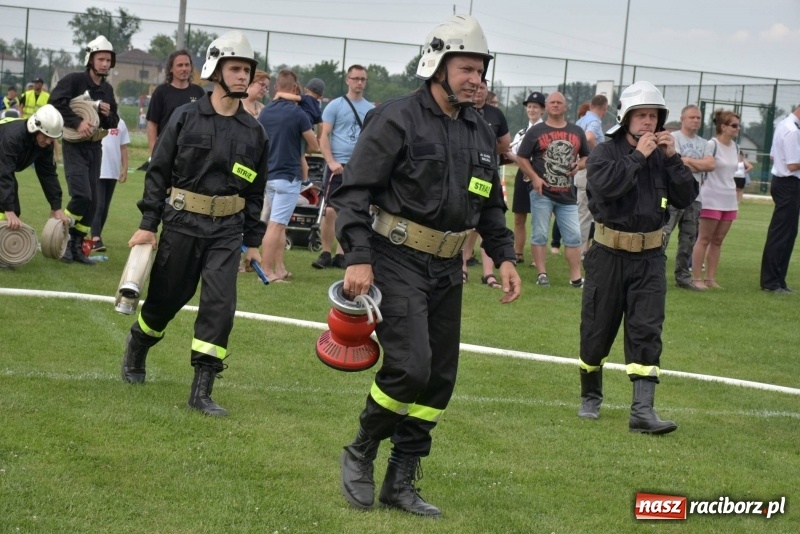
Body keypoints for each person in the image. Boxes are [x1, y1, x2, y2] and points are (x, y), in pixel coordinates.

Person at [333, 14, 521, 517]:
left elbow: (490, 205)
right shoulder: (395, 119)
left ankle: (402, 478)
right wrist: (358, 257)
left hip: (447, 268)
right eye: (466, 67)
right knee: (410, 366)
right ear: (437, 65)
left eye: (481, 69)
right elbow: (352, 193)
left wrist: (502, 255)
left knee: (439, 378)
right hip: (395, 259)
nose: (476, 78)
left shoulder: (481, 132)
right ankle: (362, 449)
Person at [120, 30, 268, 417]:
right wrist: (149, 224)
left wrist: (252, 242)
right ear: (216, 71)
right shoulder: (185, 117)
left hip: (227, 231)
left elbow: (255, 191)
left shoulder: (255, 132)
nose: (243, 77)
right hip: (182, 223)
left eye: (247, 70)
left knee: (220, 306)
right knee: (166, 301)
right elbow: (158, 172)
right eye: (235, 69)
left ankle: (201, 390)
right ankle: (138, 342)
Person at [578, 81, 697, 433]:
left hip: (649, 257)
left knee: (646, 330)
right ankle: (590, 396)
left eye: (654, 116)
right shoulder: (605, 152)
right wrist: (638, 157)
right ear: (625, 118)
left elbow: (686, 196)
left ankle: (642, 410)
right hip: (607, 255)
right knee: (597, 330)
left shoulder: (665, 156)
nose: (648, 122)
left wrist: (673, 158)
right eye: (641, 115)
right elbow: (606, 189)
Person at [50, 35, 120, 266]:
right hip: (74, 147)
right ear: (90, 59)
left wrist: (106, 114)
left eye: (108, 60)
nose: (105, 64)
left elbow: (113, 123)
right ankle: (60, 237)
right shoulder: (73, 81)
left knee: (93, 202)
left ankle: (77, 246)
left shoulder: (108, 89)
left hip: (95, 147)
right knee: (82, 195)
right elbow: (55, 103)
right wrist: (78, 121)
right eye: (101, 59)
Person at [516, 91, 589, 287]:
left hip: (567, 195)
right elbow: (522, 157)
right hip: (542, 193)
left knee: (574, 236)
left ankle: (575, 278)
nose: (556, 105)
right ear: (546, 107)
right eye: (552, 102)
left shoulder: (577, 131)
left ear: (565, 107)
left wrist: (579, 166)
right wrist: (535, 178)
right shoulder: (535, 132)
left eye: (559, 102)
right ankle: (542, 274)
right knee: (539, 234)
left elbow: (586, 157)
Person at [257, 69, 320, 282]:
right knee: (276, 225)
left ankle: (280, 268)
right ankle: (266, 271)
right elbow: (314, 144)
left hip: (270, 176)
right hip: (288, 177)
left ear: (276, 88)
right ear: (295, 88)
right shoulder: (298, 114)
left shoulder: (265, 113)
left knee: (278, 224)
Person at [312, 65, 373, 270]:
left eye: (363, 79)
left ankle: (341, 254)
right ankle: (325, 252)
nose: (359, 83)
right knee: (330, 211)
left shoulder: (370, 109)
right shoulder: (335, 105)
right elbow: (323, 136)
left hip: (358, 168)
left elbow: (372, 141)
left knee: (352, 211)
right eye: (355, 78)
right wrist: (330, 161)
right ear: (347, 80)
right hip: (337, 165)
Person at [461, 79, 511, 289]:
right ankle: (461, 267)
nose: (478, 90)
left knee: (486, 218)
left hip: (483, 176)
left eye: (482, 87)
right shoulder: (461, 111)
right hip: (462, 176)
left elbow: (504, 144)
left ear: (486, 90)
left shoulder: (495, 114)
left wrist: (484, 156)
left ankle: (488, 273)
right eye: (476, 87)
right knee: (465, 223)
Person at [663, 104, 714, 291]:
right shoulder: (673, 138)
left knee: (688, 239)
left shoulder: (705, 143)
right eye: (692, 117)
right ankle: (655, 273)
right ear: (682, 119)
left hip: (695, 198)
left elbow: (709, 165)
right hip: (673, 197)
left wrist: (686, 161)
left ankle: (683, 277)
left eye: (699, 118)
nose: (696, 120)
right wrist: (691, 163)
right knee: (664, 234)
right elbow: (674, 162)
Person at [690, 109, 741, 290]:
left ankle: (710, 279)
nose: (737, 128)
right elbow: (703, 166)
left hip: (729, 199)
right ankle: (696, 278)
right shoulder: (712, 145)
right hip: (711, 197)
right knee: (704, 238)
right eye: (734, 125)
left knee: (718, 240)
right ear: (723, 126)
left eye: (738, 125)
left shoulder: (735, 147)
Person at [0, 104, 69, 231]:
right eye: (46, 136)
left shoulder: (44, 144)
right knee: (7, 208)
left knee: (13, 210)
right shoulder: (13, 138)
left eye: (52, 138)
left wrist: (56, 206)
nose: (49, 141)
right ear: (35, 128)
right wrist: (8, 210)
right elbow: (4, 173)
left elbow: (48, 174)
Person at [760, 105, 800, 294]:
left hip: (785, 183)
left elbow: (774, 156)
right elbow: (792, 165)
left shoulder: (784, 124)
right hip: (788, 183)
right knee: (781, 234)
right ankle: (771, 282)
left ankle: (779, 280)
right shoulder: (792, 130)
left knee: (787, 233)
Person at [146, 49, 206, 157]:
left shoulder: (199, 92)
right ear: (171, 69)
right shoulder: (161, 92)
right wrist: (154, 153)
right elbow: (152, 124)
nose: (184, 68)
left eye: (187, 65)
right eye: (180, 65)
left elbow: (205, 123)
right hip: (167, 149)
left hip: (191, 151)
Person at [509, 91, 545, 266]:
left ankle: (536, 258)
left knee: (539, 218)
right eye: (529, 106)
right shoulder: (521, 133)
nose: (531, 110)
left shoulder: (545, 131)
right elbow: (516, 156)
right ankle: (518, 253)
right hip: (521, 176)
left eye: (535, 107)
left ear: (542, 110)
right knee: (519, 217)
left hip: (539, 176)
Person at [574, 94, 609, 255]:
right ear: (604, 108)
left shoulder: (581, 120)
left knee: (583, 211)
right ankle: (581, 251)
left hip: (581, 168)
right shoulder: (594, 121)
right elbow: (589, 137)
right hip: (589, 170)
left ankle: (582, 248)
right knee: (586, 213)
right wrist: (598, 155)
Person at [273, 77, 325, 182]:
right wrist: (318, 138)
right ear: (321, 96)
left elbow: (292, 97)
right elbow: (321, 125)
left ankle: (304, 181)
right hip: (309, 132)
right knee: (302, 154)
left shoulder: (305, 98)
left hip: (300, 129)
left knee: (300, 156)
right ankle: (305, 179)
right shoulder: (318, 108)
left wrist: (280, 95)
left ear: (306, 89)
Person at [89, 117, 129, 252]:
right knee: (98, 205)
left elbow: (123, 147)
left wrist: (124, 168)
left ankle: (97, 237)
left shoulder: (120, 123)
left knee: (105, 206)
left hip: (113, 171)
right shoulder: (96, 120)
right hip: (98, 169)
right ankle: (95, 239)